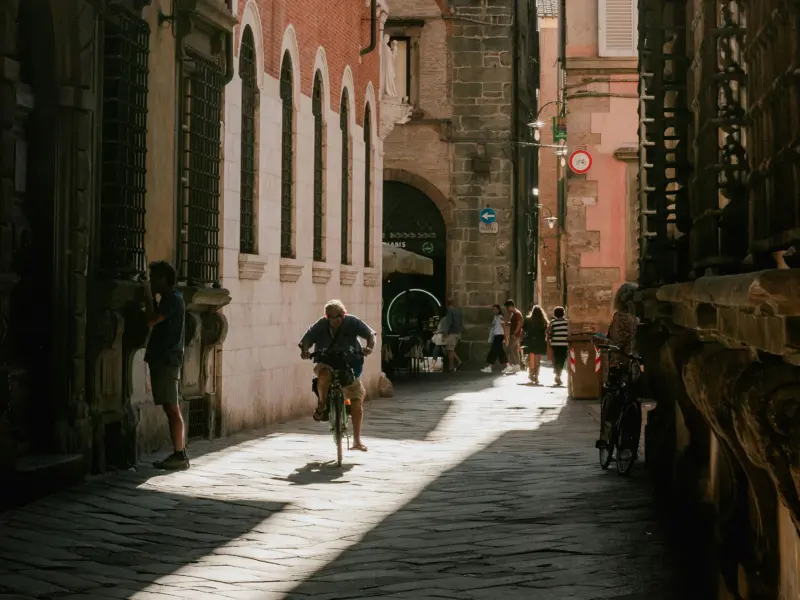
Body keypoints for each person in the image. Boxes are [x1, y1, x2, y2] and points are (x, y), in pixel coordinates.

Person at [299, 299, 376, 452]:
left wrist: (369, 347)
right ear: (326, 317)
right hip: (326, 361)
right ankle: (322, 404)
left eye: (337, 317)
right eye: (331, 317)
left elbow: (370, 334)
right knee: (323, 375)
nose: (334, 321)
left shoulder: (352, 322)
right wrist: (305, 350)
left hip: (350, 363)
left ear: (343, 314)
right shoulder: (321, 324)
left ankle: (357, 440)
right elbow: (307, 338)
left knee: (356, 401)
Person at [144, 261, 188, 471]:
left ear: (164, 279)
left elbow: (152, 320)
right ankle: (179, 453)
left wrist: (147, 297)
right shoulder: (172, 299)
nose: (152, 281)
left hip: (167, 360)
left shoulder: (171, 299)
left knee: (171, 407)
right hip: (166, 359)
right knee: (170, 406)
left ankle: (180, 454)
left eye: (154, 278)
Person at [598, 283, 640, 447]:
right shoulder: (637, 320)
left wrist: (602, 340)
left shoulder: (618, 318)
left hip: (618, 363)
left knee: (614, 399)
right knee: (632, 398)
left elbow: (614, 341)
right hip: (634, 365)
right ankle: (628, 441)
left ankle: (606, 435)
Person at [522, 305, 549, 384]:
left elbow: (523, 330)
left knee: (531, 359)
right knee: (537, 361)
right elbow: (546, 331)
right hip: (540, 341)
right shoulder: (543, 320)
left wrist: (521, 339)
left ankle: (531, 374)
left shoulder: (527, 320)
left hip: (530, 341)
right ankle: (536, 376)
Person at [481, 304, 508, 373]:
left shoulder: (500, 317)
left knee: (494, 351)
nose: (493, 310)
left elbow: (504, 327)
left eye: (495, 309)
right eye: (493, 309)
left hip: (499, 336)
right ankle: (507, 366)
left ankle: (490, 366)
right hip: (496, 336)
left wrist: (506, 338)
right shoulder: (495, 317)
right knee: (499, 351)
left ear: (498, 310)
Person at [547, 306, 569, 386]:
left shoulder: (552, 322)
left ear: (555, 314)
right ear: (563, 313)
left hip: (555, 344)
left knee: (556, 358)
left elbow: (548, 332)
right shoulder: (567, 322)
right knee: (562, 359)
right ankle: (558, 375)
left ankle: (557, 373)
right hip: (564, 344)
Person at [503, 299, 524, 374]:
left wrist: (515, 333)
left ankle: (515, 365)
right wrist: (507, 323)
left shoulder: (517, 313)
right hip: (515, 335)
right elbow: (515, 323)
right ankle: (517, 366)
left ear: (511, 306)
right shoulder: (514, 313)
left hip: (515, 335)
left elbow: (519, 324)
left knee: (510, 349)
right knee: (514, 350)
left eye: (507, 307)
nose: (507, 309)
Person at [444, 298, 464, 372]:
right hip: (458, 333)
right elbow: (461, 322)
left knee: (450, 350)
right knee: (450, 350)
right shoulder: (458, 311)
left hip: (452, 333)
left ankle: (451, 367)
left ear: (447, 304)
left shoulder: (450, 311)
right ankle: (458, 361)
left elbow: (449, 322)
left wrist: (445, 332)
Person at [429, 305, 449, 372]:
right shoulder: (445, 319)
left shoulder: (444, 319)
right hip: (441, 337)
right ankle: (455, 362)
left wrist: (436, 332)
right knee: (443, 351)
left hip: (441, 337)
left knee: (436, 351)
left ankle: (432, 366)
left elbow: (442, 329)